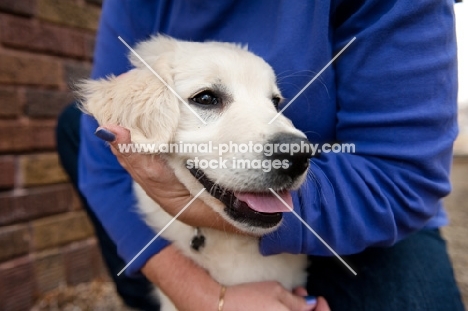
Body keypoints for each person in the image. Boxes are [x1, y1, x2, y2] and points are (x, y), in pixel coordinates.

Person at [56, 0, 465, 310]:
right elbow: (101, 142)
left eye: (275, 100)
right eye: (206, 97)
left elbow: (401, 178)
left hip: (364, 214)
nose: (287, 138)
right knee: (75, 128)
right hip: (201, 220)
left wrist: (190, 205)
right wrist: (200, 295)